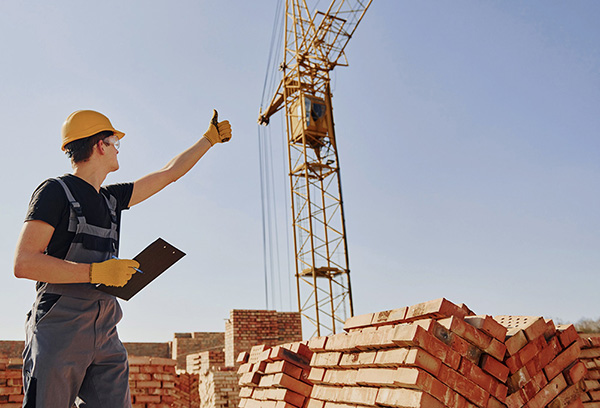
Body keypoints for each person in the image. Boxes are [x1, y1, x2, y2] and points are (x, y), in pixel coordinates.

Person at [13, 109, 232, 407]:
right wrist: (96, 273)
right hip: (59, 327)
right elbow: (25, 263)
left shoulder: (111, 199)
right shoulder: (55, 192)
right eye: (115, 141)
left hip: (104, 328)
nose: (118, 148)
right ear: (100, 145)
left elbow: (168, 174)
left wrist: (207, 140)